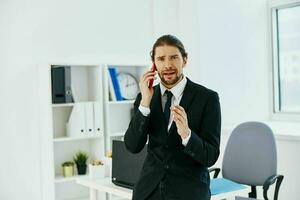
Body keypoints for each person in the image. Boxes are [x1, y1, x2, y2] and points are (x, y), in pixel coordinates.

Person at [124, 35, 221, 200]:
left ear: (185, 60)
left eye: (174, 57)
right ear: (154, 65)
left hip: (189, 191)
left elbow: (210, 156)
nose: (168, 65)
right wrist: (145, 104)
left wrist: (187, 135)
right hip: (149, 190)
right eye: (161, 59)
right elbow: (132, 146)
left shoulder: (207, 98)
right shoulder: (145, 97)